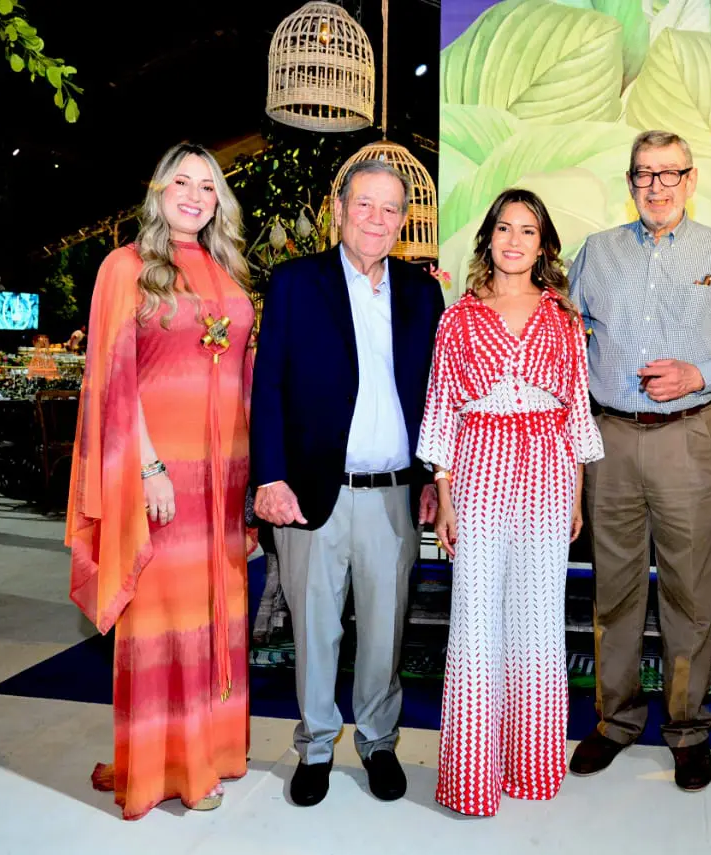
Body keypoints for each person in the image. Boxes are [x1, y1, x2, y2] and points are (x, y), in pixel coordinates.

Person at [567, 130, 711, 791]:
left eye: (668, 173)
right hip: (612, 439)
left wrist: (697, 373)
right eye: (643, 174)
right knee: (614, 591)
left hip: (689, 435)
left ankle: (686, 727)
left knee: (689, 589)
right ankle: (615, 719)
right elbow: (563, 336)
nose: (656, 186)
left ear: (691, 178)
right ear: (630, 183)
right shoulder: (595, 253)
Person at [65, 142, 255, 819]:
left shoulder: (227, 271)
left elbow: (241, 375)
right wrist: (148, 467)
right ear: (158, 191)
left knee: (212, 616)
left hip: (221, 484)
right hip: (162, 479)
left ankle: (212, 749)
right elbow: (113, 378)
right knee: (167, 619)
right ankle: (172, 768)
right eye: (183, 181)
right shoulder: (126, 268)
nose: (196, 194)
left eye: (208, 185)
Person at [250, 160, 445, 808]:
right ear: (339, 207)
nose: (377, 220)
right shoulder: (296, 283)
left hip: (394, 492)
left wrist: (432, 478)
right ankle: (314, 746)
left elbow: (435, 395)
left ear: (403, 221)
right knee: (316, 629)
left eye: (392, 210)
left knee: (386, 630)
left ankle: (380, 741)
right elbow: (268, 384)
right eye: (366, 205)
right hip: (312, 490)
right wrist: (270, 475)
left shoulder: (422, 293)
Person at [418, 188, 603, 816]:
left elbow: (576, 406)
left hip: (549, 469)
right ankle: (471, 775)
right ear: (488, 239)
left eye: (528, 230)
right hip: (479, 467)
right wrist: (443, 495)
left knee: (539, 619)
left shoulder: (563, 318)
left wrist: (576, 495)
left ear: (543, 243)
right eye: (504, 228)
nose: (515, 240)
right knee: (474, 622)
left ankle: (530, 767)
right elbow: (443, 406)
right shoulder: (458, 318)